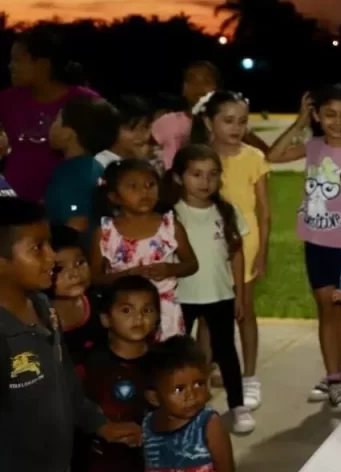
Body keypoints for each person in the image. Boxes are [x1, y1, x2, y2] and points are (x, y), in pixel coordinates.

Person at [0, 198, 142, 472]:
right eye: (37, 248)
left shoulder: (44, 308)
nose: (52, 256)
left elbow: (67, 383)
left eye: (49, 244)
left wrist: (99, 424)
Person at [266, 86, 341, 411]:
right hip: (316, 241)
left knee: (340, 309)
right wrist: (298, 122)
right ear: (317, 116)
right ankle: (333, 374)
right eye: (329, 115)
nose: (337, 122)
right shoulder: (312, 147)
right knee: (325, 309)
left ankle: (337, 376)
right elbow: (273, 155)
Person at [190, 90, 269, 408]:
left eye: (242, 122)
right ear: (209, 121)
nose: (236, 128)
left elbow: (264, 211)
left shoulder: (254, 158)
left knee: (244, 311)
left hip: (245, 245)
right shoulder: (199, 158)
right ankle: (201, 375)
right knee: (208, 318)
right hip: (208, 244)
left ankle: (249, 377)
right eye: (228, 121)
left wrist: (262, 251)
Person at [168, 145, 255, 434]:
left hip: (220, 294)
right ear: (179, 178)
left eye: (212, 175)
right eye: (196, 174)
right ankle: (180, 405)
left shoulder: (225, 211)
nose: (205, 182)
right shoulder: (171, 215)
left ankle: (238, 405)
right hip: (182, 296)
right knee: (180, 355)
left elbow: (237, 254)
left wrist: (240, 295)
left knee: (226, 351)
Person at [91, 159, 198, 340]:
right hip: (125, 314)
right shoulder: (106, 232)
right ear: (114, 196)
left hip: (165, 312)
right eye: (133, 187)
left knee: (166, 364)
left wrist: (169, 269)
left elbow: (191, 264)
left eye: (150, 185)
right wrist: (127, 276)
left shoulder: (170, 226)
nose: (144, 192)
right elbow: (94, 277)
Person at [0, 30, 99, 200]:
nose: (11, 66)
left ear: (43, 64)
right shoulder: (6, 100)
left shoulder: (86, 101)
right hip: (15, 206)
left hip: (68, 202)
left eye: (17, 60)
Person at [80, 276, 161, 471]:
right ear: (105, 318)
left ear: (158, 317)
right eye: (126, 310)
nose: (138, 318)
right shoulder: (90, 364)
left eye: (147, 310)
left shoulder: (165, 362)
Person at [141, 336, 235, 472]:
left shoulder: (208, 423)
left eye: (199, 384)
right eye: (179, 389)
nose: (191, 395)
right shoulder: (148, 426)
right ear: (154, 397)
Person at [152, 62, 269, 170]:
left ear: (217, 89)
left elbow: (265, 155)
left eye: (206, 81)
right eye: (192, 80)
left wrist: (244, 131)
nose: (198, 86)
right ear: (184, 88)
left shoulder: (229, 125)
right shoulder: (167, 122)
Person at [46, 95, 119, 231]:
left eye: (57, 120)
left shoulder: (72, 174)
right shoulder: (96, 167)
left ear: (68, 134)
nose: (51, 125)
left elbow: (78, 222)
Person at [49, 224, 103, 369]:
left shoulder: (100, 304)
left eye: (80, 263)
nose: (75, 274)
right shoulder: (34, 319)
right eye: (59, 268)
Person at [96, 95, 155, 168]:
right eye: (131, 128)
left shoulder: (146, 161)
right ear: (112, 128)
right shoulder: (100, 166)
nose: (141, 135)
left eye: (144, 127)